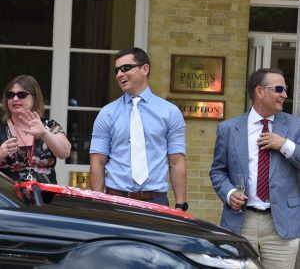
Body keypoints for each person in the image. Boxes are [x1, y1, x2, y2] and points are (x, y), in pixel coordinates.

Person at [210, 68, 300, 269]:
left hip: (283, 223)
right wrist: (229, 192)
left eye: (285, 89)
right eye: (279, 89)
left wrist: (284, 145)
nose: (284, 95)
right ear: (260, 91)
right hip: (241, 220)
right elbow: (218, 171)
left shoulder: (295, 126)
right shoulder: (229, 129)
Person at [89, 47, 188, 209]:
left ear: (145, 69)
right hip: (115, 199)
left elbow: (177, 162)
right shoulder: (107, 114)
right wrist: (98, 202)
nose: (120, 74)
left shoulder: (170, 112)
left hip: (156, 201)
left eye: (126, 68)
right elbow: (97, 162)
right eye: (117, 70)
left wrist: (180, 204)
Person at [0, 75, 71, 183]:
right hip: (10, 198)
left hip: (45, 197)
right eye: (10, 95)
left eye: (21, 95)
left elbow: (65, 152)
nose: (15, 99)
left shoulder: (49, 125)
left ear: (35, 97)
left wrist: (44, 133)